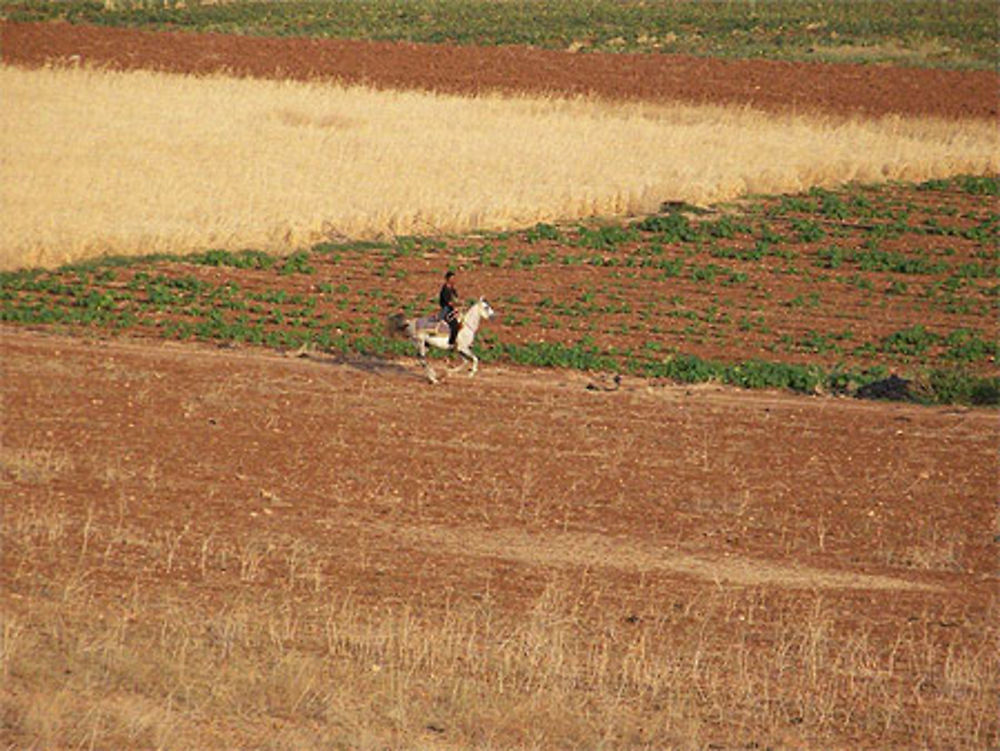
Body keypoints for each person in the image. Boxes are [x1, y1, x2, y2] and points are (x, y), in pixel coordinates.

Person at [438, 270, 461, 348]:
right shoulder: (444, 290)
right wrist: (455, 305)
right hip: (446, 310)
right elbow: (448, 302)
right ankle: (451, 343)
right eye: (451, 278)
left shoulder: (452, 289)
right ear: (447, 279)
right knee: (455, 325)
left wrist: (459, 303)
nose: (453, 280)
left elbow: (456, 298)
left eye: (454, 278)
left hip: (452, 309)